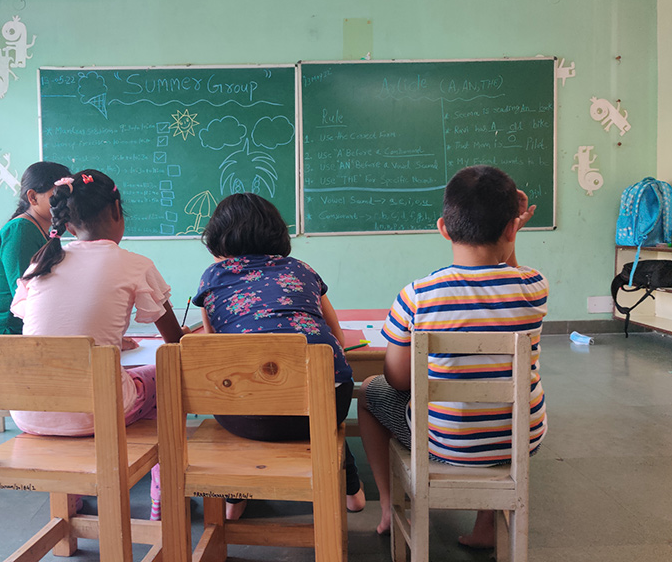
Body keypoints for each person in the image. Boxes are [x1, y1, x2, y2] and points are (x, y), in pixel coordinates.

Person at [357, 165, 548, 543]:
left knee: (369, 392)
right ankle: (486, 524)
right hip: (521, 438)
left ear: (444, 228)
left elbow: (397, 380)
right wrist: (511, 231)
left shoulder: (418, 296)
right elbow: (509, 275)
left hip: (448, 442)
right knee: (491, 389)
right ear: (512, 229)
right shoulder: (533, 287)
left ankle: (387, 506)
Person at [9, 169, 184, 520]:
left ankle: (71, 498)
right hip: (96, 414)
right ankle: (164, 496)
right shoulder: (135, 264)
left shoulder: (40, 264)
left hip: (28, 412)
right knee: (165, 377)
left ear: (69, 223)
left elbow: (49, 328)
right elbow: (176, 342)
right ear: (117, 211)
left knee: (103, 380)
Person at [192, 192, 365, 520]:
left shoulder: (211, 278)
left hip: (248, 418)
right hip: (323, 409)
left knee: (237, 391)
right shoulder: (301, 269)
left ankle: (235, 496)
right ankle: (351, 491)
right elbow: (337, 341)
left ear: (217, 239)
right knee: (326, 414)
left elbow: (214, 354)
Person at [0, 161, 72, 335]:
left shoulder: (39, 231)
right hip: (7, 335)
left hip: (29, 329)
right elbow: (26, 298)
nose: (64, 203)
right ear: (33, 197)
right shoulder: (20, 230)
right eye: (57, 196)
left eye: (67, 197)